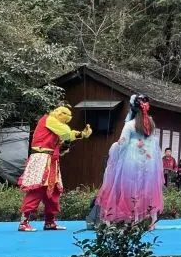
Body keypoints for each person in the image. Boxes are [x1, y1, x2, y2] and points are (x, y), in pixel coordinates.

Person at [18, 105, 92, 232]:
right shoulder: (49, 119)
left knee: (54, 191)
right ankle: (23, 223)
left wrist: (82, 134)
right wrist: (74, 134)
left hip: (51, 160)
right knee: (37, 189)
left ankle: (50, 222)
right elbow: (66, 133)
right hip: (41, 159)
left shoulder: (54, 126)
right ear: (60, 114)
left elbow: (66, 135)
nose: (65, 121)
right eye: (65, 119)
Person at [95, 94, 164, 226]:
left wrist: (115, 147)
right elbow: (152, 141)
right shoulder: (151, 123)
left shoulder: (130, 125)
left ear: (132, 108)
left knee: (130, 188)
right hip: (149, 160)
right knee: (147, 189)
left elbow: (123, 143)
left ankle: (132, 219)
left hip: (131, 159)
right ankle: (150, 220)